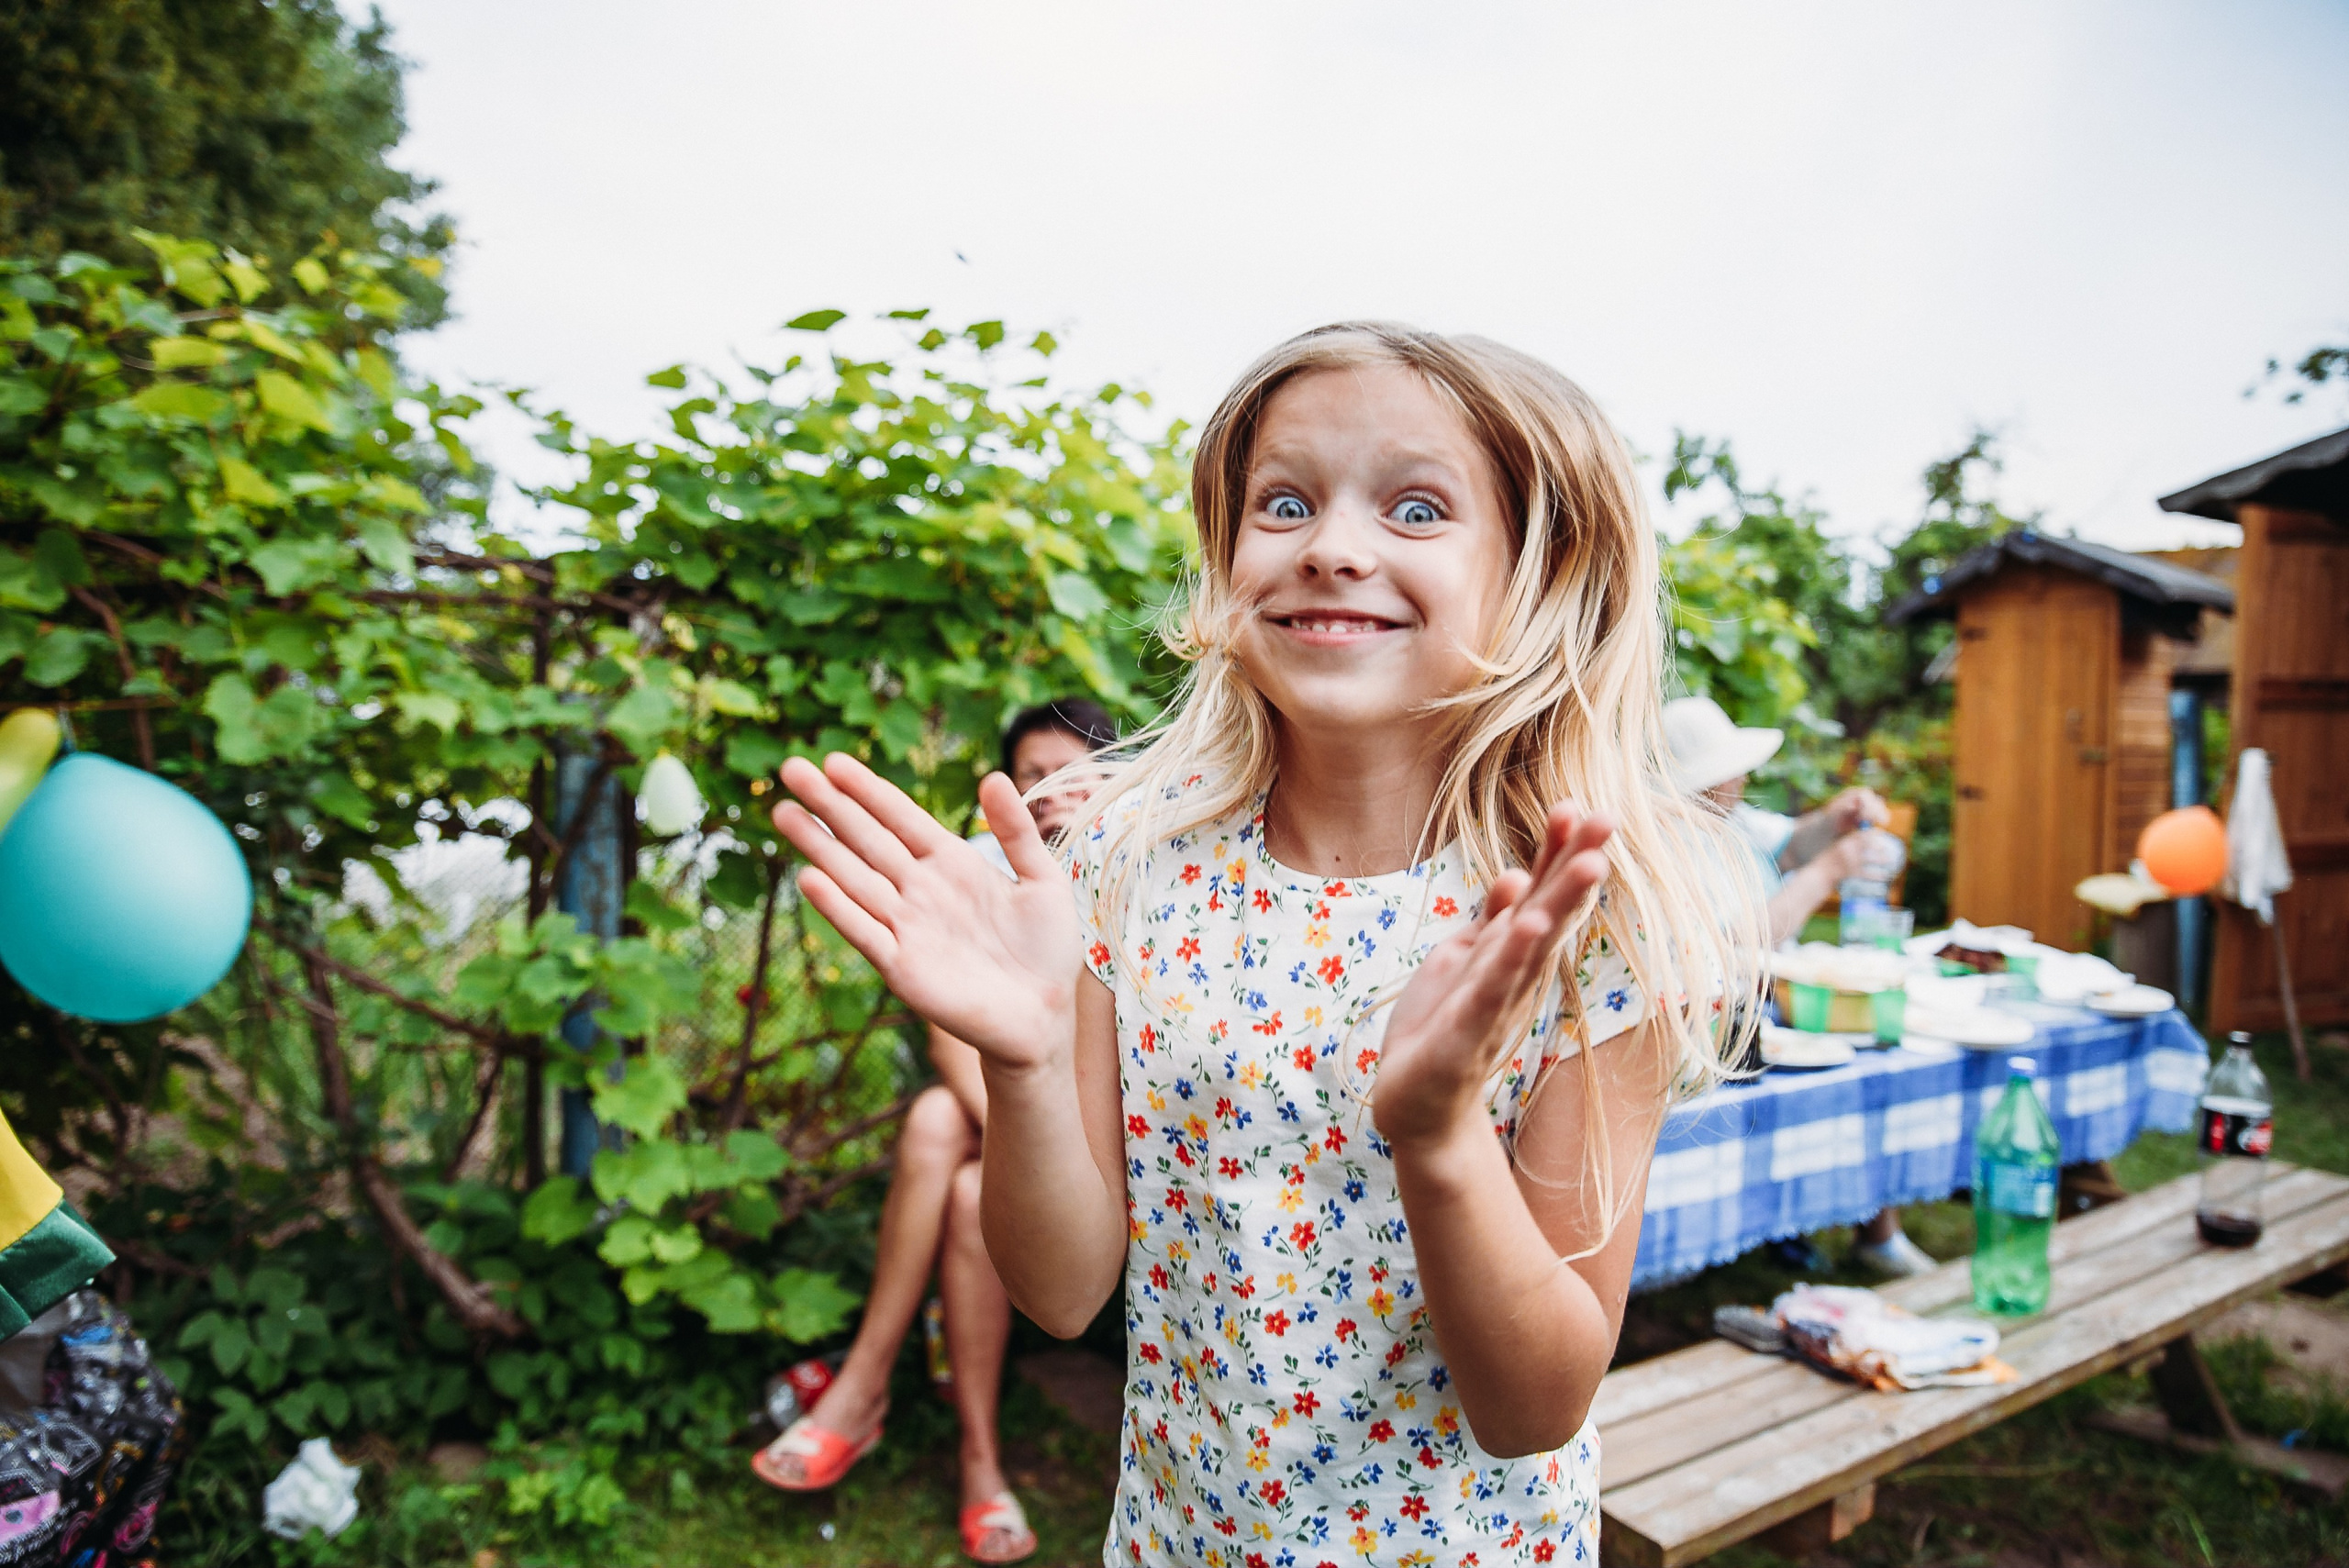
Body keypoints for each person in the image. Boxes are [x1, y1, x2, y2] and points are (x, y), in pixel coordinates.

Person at [773, 324, 1764, 1564]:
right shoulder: (1130, 869)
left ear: (1541, 571)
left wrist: (1442, 1138)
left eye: (1415, 508)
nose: (1332, 548)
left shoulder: (1590, 918)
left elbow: (1534, 1407)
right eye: (1283, 501)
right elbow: (1065, 1288)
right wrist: (1022, 1065)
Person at [750, 697, 1119, 1566]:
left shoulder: (1149, 873)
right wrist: (1022, 1132)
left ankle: (867, 1394)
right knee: (949, 1151)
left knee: (946, 1150)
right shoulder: (987, 870)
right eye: (1033, 775)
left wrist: (1043, 1136)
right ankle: (975, 1459)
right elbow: (952, 1034)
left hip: (1111, 1141)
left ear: (1119, 780)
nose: (1052, 790)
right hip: (1011, 1110)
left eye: (1074, 771)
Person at [1662, 695, 1936, 1278]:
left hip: (1766, 1015)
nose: (1744, 774)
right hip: (1713, 1027)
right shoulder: (1671, 841)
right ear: (1706, 781)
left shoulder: (1730, 819)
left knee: (1872, 1067)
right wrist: (1829, 872)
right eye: (1731, 766)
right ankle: (1801, 1230)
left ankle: (1875, 1230)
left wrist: (1834, 821)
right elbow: (1739, 948)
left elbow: (1790, 841)